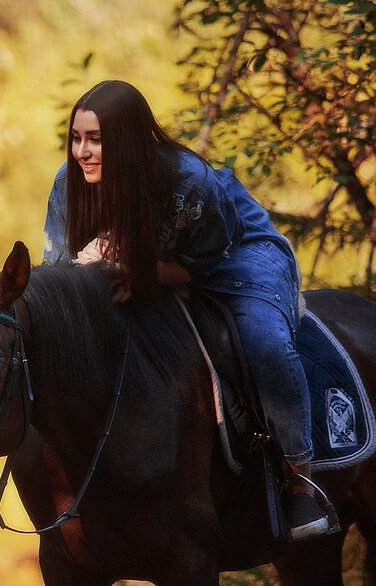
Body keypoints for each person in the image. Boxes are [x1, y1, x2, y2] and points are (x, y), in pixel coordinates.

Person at [42, 79, 333, 542]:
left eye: (96, 139)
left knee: (265, 343)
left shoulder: (188, 182)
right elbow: (59, 272)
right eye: (76, 137)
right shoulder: (68, 184)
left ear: (129, 139)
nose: (82, 151)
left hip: (234, 257)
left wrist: (138, 270)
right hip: (145, 268)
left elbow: (208, 262)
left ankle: (300, 478)